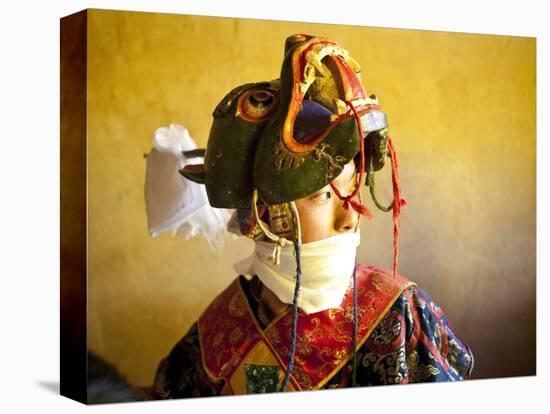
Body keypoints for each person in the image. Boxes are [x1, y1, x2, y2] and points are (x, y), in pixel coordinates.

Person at [145, 34, 473, 398]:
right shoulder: (219, 330)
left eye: (352, 191)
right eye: (322, 195)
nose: (350, 219)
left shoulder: (400, 313)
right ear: (263, 215)